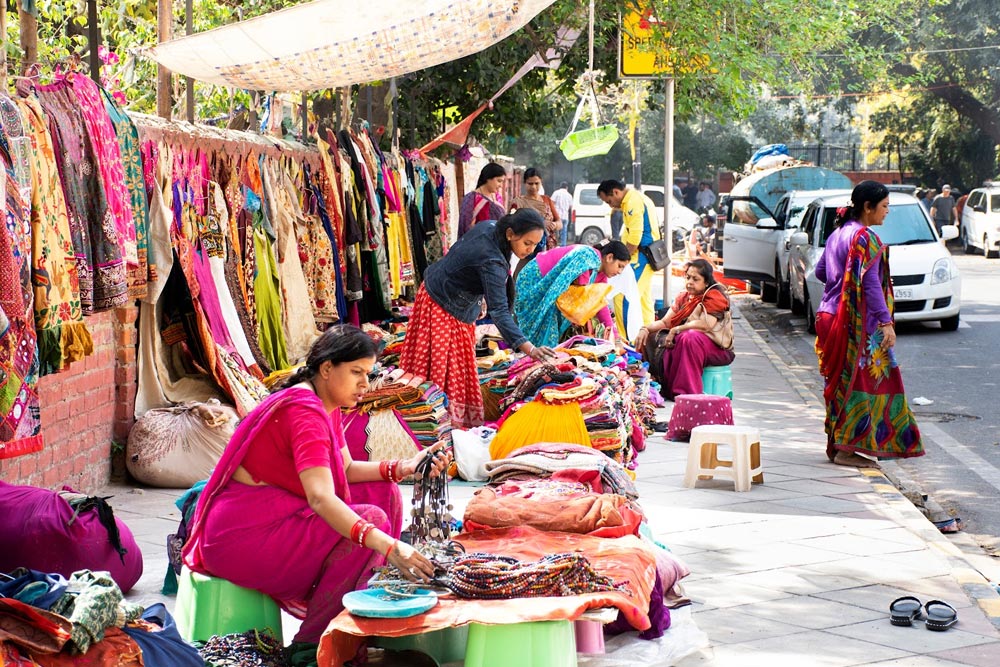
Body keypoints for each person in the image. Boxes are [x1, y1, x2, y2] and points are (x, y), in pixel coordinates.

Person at [182, 325, 451, 645]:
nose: (365, 382)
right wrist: (390, 547)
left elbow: (346, 468)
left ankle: (365, 604)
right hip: (241, 537)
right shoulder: (304, 411)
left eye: (367, 372)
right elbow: (321, 498)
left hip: (269, 520)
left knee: (385, 491)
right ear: (326, 369)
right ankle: (316, 643)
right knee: (372, 524)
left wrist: (406, 467)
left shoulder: (326, 404)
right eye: (356, 372)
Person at [400, 209, 557, 428]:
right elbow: (500, 311)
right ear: (511, 234)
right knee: (440, 367)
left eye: (534, 245)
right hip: (441, 306)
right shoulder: (491, 261)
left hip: (445, 295)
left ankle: (439, 419)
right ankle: (432, 421)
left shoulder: (491, 227)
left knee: (455, 367)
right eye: (527, 243)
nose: (530, 251)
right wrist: (529, 348)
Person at [814, 180, 923, 469]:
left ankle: (838, 444)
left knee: (838, 382)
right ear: (867, 206)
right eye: (884, 206)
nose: (887, 212)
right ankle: (847, 450)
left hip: (827, 316)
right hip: (853, 322)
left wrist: (842, 286)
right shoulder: (865, 238)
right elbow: (871, 283)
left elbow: (820, 271)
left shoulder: (837, 233)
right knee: (860, 382)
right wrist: (886, 322)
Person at [634, 259, 734, 400]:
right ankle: (656, 385)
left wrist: (676, 329)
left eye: (695, 279)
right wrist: (645, 329)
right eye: (688, 277)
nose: (690, 282)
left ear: (706, 282)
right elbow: (665, 322)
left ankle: (687, 394)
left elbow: (706, 324)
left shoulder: (714, 296)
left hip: (716, 349)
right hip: (688, 344)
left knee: (688, 337)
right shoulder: (684, 297)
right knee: (651, 337)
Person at [514, 240, 631, 346]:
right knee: (540, 328)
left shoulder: (600, 273)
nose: (619, 272)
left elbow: (600, 305)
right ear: (609, 257)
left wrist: (615, 337)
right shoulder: (587, 256)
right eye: (619, 266)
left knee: (548, 333)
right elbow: (579, 292)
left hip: (546, 285)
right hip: (535, 277)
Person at [597, 179, 661, 325]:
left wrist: (622, 260)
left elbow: (634, 237)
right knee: (643, 300)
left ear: (616, 192)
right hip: (645, 257)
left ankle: (626, 341)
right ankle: (646, 337)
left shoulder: (633, 201)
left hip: (640, 258)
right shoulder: (636, 198)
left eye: (609, 201)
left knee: (624, 296)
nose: (610, 205)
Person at [511, 168, 562, 251]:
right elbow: (513, 224)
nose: (534, 187)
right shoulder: (518, 203)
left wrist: (554, 225)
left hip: (549, 247)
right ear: (524, 183)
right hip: (528, 249)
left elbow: (560, 223)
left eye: (536, 183)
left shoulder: (547, 200)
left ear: (541, 182)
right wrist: (540, 224)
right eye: (530, 184)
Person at [458, 162, 507, 238]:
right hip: (477, 244)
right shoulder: (471, 198)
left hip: (497, 244)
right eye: (499, 181)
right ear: (488, 178)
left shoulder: (497, 197)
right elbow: (464, 226)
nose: (501, 185)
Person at [551, 181, 573, 246]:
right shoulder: (569, 195)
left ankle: (555, 244)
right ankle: (563, 246)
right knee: (564, 232)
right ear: (567, 187)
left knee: (555, 231)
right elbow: (570, 206)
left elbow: (551, 202)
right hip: (565, 216)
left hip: (557, 216)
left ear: (560, 186)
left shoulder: (556, 193)